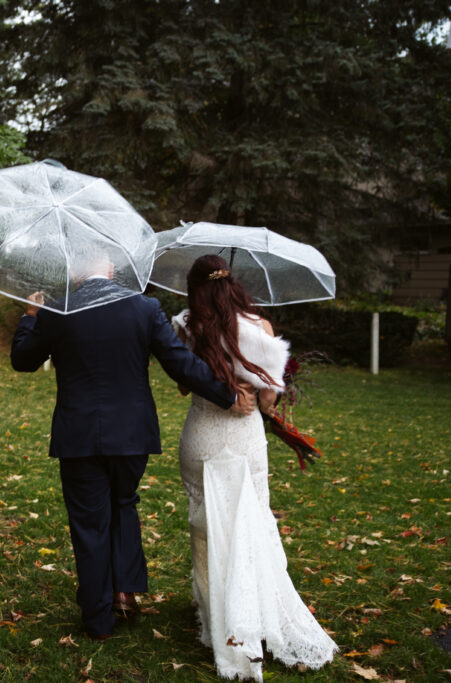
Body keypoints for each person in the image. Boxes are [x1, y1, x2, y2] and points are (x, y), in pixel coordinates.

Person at [10, 258, 256, 641]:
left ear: (77, 270)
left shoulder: (58, 310)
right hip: (132, 434)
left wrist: (29, 315)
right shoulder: (144, 308)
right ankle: (123, 592)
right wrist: (228, 394)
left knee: (90, 523)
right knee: (123, 502)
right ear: (109, 268)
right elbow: (180, 364)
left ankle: (97, 619)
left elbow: (23, 360)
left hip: (79, 436)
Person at [172, 254, 337, 680]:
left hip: (199, 435)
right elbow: (266, 401)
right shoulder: (260, 330)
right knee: (249, 525)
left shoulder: (185, 325)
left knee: (207, 527)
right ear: (234, 285)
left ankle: (216, 619)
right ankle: (251, 615)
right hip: (243, 439)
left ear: (195, 288)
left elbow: (181, 382)